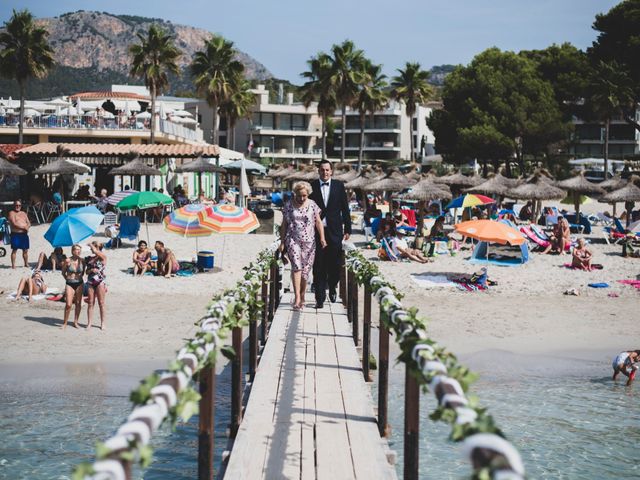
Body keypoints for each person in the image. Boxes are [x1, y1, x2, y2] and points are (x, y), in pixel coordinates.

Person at [309, 160, 351, 308]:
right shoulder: (312, 186)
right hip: (316, 231)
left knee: (335, 264)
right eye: (322, 170)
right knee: (318, 264)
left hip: (335, 231)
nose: (325, 172)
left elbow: (345, 209)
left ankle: (333, 285)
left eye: (327, 170)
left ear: (331, 171)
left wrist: (348, 229)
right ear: (318, 171)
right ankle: (319, 298)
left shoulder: (339, 186)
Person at [280, 181, 327, 310]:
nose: (301, 198)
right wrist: (282, 242)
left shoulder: (312, 205)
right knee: (296, 267)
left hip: (309, 242)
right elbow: (284, 224)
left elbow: (318, 222)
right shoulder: (289, 205)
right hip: (293, 240)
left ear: (308, 194)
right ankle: (297, 298)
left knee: (306, 271)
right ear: (295, 193)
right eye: (299, 195)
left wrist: (322, 238)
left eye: (304, 196)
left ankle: (302, 294)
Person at [62, 244, 85, 330]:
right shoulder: (68, 260)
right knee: (68, 304)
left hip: (79, 283)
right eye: (76, 250)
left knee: (78, 303)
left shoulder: (82, 261)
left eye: (79, 250)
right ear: (72, 251)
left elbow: (83, 272)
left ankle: (75, 322)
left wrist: (79, 277)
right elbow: (63, 272)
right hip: (69, 283)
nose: (78, 251)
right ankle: (65, 322)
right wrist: (68, 279)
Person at [86, 241, 107, 330]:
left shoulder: (103, 257)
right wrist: (91, 271)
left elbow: (96, 251)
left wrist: (90, 244)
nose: (91, 249)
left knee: (101, 303)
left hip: (100, 281)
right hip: (90, 281)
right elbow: (86, 272)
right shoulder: (90, 258)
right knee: (90, 303)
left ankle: (103, 323)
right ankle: (89, 323)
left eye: (94, 247)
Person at [7, 199, 31, 269]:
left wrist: (27, 226)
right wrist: (24, 227)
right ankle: (13, 265)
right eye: (16, 205)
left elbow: (28, 222)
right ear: (14, 206)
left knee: (25, 250)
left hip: (24, 234)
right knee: (14, 250)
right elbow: (14, 223)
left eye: (19, 205)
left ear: (21, 206)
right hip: (15, 234)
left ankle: (26, 263)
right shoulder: (11, 213)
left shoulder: (23, 213)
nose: (18, 206)